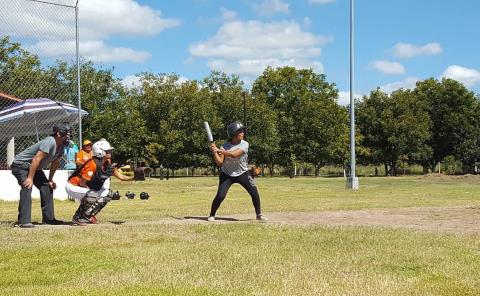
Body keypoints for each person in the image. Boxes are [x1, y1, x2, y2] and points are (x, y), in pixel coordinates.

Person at [10, 123, 71, 228]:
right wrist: (30, 178)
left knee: (47, 187)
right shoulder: (50, 142)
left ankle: (49, 219)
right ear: (59, 134)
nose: (69, 135)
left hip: (34, 167)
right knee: (27, 187)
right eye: (67, 133)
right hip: (20, 165)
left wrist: (50, 180)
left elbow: (55, 162)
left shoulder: (62, 145)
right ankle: (24, 221)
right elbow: (36, 159)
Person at [208, 121, 267, 222]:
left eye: (243, 131)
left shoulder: (245, 144)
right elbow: (219, 163)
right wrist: (215, 152)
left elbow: (234, 154)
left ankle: (259, 215)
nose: (243, 133)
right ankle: (212, 215)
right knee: (220, 195)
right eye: (240, 131)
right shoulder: (225, 146)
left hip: (243, 173)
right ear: (233, 134)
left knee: (254, 192)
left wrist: (218, 150)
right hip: (227, 174)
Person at [66, 139, 134, 225]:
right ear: (99, 151)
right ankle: (78, 217)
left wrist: (134, 177)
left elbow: (121, 177)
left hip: (83, 187)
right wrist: (93, 194)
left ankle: (88, 215)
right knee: (92, 194)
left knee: (107, 194)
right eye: (107, 150)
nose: (109, 152)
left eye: (109, 150)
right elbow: (82, 183)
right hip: (73, 186)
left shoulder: (107, 165)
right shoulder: (92, 164)